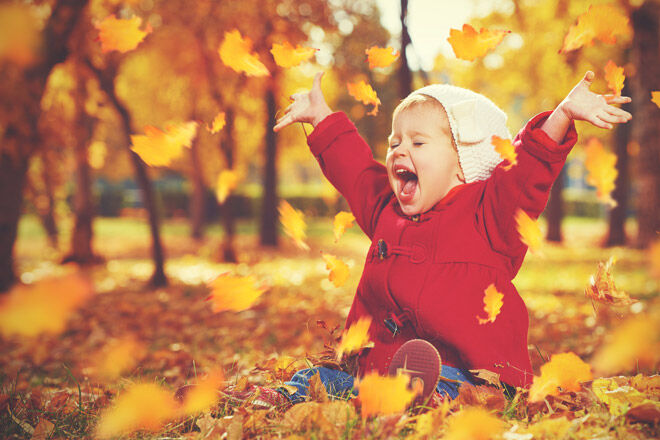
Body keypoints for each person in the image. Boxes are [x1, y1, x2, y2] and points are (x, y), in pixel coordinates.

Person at [228, 71, 631, 410]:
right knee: (316, 377)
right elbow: (355, 172)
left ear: (463, 165)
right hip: (379, 367)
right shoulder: (387, 210)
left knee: (449, 389)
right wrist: (321, 116)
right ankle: (277, 397)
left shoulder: (490, 215)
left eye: (418, 143)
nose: (401, 149)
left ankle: (423, 400)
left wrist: (561, 115)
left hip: (468, 372)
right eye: (394, 143)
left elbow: (525, 174)